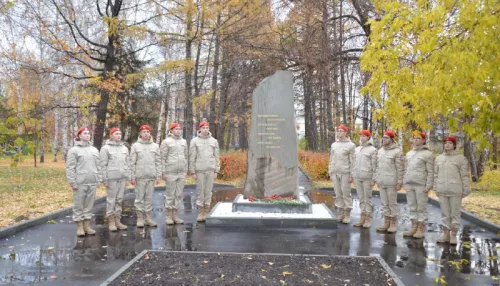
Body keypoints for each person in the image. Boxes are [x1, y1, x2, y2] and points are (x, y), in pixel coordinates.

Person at [434, 136, 471, 245]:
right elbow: (436, 175)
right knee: (445, 213)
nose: (447, 145)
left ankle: (453, 235)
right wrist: (435, 187)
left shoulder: (461, 159)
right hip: (442, 189)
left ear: (454, 145)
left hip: (455, 190)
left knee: (455, 213)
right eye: (446, 143)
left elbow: (464, 175)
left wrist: (466, 189)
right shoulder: (439, 158)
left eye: (450, 143)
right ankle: (445, 234)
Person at [66, 127, 102, 237]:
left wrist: (99, 179)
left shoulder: (94, 150)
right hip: (80, 182)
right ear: (80, 136)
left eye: (88, 133)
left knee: (89, 205)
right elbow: (70, 168)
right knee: (79, 205)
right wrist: (72, 182)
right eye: (85, 133)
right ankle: (80, 226)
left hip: (92, 181)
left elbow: (98, 166)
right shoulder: (74, 150)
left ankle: (87, 225)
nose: (87, 135)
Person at [403, 131, 434, 239]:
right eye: (414, 138)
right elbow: (406, 169)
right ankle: (414, 226)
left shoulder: (427, 154)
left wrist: (428, 185)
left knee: (421, 207)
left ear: (423, 140)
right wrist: (404, 182)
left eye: (418, 138)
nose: (416, 140)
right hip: (409, 183)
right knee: (412, 206)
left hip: (421, 184)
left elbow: (430, 171)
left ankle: (421, 228)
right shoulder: (409, 153)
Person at [99, 128, 130, 232]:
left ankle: (118, 220)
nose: (119, 136)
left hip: (122, 178)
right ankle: (111, 221)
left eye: (120, 134)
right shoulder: (106, 148)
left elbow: (127, 163)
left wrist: (128, 177)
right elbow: (102, 165)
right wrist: (104, 179)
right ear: (111, 135)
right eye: (116, 134)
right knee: (111, 200)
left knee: (119, 199)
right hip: (111, 178)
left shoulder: (124, 148)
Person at [130, 125, 161, 228]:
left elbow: (158, 162)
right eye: (144, 132)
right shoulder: (135, 146)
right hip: (140, 177)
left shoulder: (155, 146)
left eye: (148, 131)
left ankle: (148, 218)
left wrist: (158, 176)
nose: (146, 133)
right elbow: (132, 162)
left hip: (151, 176)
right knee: (139, 198)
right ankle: (140, 218)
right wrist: (132, 177)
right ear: (140, 134)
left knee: (149, 198)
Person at [189, 121, 220, 222]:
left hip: (210, 170)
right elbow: (192, 157)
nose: (205, 129)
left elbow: (217, 157)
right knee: (200, 191)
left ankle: (206, 211)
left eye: (207, 128)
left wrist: (216, 170)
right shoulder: (194, 141)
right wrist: (192, 171)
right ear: (200, 129)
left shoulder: (214, 141)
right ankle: (200, 212)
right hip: (200, 170)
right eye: (204, 128)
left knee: (208, 191)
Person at [374, 130, 403, 233]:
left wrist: (399, 182)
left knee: (392, 203)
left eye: (386, 138)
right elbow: (378, 167)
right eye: (383, 137)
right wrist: (377, 179)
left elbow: (399, 168)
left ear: (391, 139)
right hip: (382, 181)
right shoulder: (380, 151)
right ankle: (386, 222)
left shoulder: (397, 151)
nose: (384, 139)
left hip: (391, 181)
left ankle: (393, 223)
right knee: (384, 203)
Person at [160, 123, 188, 225]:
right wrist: (163, 172)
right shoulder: (166, 142)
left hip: (181, 172)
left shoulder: (184, 142)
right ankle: (168, 216)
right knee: (170, 195)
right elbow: (162, 158)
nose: (178, 131)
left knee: (178, 194)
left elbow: (186, 157)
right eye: (176, 129)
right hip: (170, 172)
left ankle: (175, 216)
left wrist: (185, 171)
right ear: (171, 130)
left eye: (179, 129)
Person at [328, 124, 356, 224]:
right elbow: (331, 159)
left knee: (346, 194)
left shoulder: (351, 145)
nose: (339, 132)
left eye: (341, 131)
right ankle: (340, 212)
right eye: (338, 131)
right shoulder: (334, 145)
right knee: (338, 194)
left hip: (345, 173)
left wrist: (352, 175)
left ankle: (347, 214)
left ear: (345, 133)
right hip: (335, 172)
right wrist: (330, 171)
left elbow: (353, 161)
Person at [353, 129, 377, 228]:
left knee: (367, 199)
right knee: (361, 198)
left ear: (368, 137)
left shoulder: (372, 150)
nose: (362, 137)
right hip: (358, 177)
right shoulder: (357, 149)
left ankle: (368, 219)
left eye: (364, 136)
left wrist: (373, 179)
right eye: (361, 135)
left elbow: (375, 166)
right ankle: (362, 218)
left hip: (367, 177)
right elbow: (354, 164)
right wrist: (354, 176)